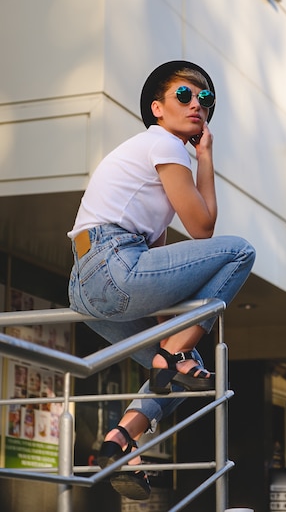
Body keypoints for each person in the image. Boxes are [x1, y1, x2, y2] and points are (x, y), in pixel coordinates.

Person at [68, 60, 256, 500]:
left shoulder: (155, 164)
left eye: (205, 100)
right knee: (240, 250)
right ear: (157, 108)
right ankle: (172, 358)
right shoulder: (164, 144)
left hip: (86, 284)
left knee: (185, 376)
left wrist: (177, 347)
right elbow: (204, 228)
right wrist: (204, 156)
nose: (198, 106)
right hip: (110, 263)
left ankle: (119, 441)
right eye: (185, 96)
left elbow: (165, 271)